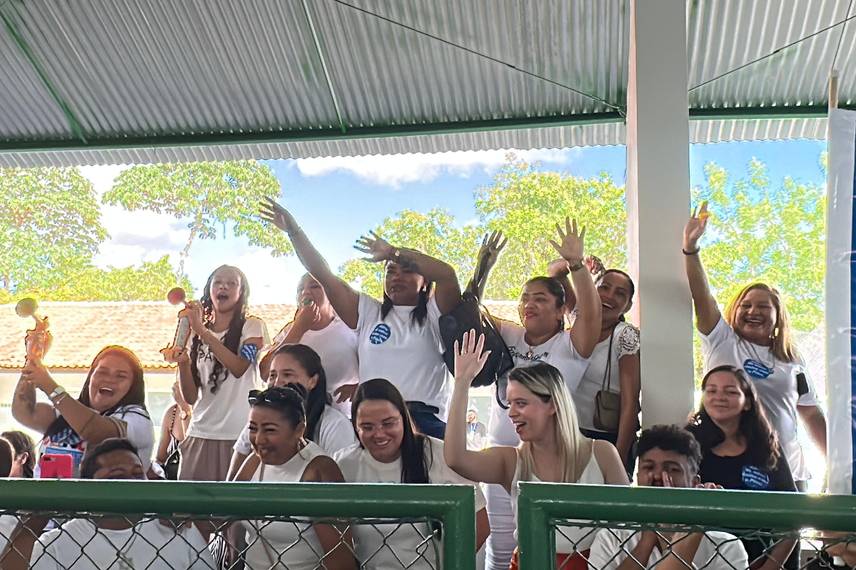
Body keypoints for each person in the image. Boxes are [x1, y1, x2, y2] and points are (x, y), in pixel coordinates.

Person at [261, 199, 462, 438]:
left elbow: (448, 274)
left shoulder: (435, 313)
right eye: (390, 271)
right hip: (370, 422)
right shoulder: (369, 312)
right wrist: (294, 231)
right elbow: (323, 274)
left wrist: (393, 253)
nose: (396, 276)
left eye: (407, 271)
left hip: (425, 423)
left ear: (425, 282)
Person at [476, 222, 603, 570]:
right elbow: (473, 312)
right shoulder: (509, 334)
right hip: (501, 461)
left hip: (548, 463)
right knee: (499, 551)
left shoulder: (571, 346)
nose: (528, 304)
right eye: (525, 297)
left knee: (541, 549)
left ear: (562, 309)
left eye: (541, 298)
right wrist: (483, 268)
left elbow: (592, 313)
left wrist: (576, 266)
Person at [446, 331, 628, 570]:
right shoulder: (511, 460)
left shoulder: (603, 453)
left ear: (552, 404)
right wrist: (462, 383)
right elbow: (455, 458)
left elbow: (628, 527)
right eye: (510, 404)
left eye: (521, 403)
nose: (511, 413)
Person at [683, 202, 826, 490]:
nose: (753, 311)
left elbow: (810, 413)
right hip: (728, 465)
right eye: (745, 306)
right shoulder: (722, 340)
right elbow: (703, 297)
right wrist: (691, 248)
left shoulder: (791, 357)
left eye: (763, 306)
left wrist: (837, 464)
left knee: (786, 535)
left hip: (787, 471)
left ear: (777, 317)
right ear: (734, 312)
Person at [334, 378, 489, 568]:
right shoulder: (344, 463)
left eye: (388, 423)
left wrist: (448, 564)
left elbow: (480, 525)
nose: (379, 433)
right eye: (367, 427)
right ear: (355, 427)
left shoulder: (438, 454)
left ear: (403, 419)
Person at [0, 438, 216, 570]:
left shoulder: (176, 527)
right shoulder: (60, 542)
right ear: (90, 485)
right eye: (117, 475)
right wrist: (36, 520)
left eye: (137, 474)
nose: (131, 482)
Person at [588, 424, 748, 569]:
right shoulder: (610, 538)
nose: (658, 476)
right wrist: (649, 537)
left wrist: (690, 536)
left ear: (694, 482)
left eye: (672, 469)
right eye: (649, 467)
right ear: (637, 478)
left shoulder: (727, 546)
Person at [687, 366, 797, 570]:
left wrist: (769, 566)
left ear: (747, 401)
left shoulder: (767, 445)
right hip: (703, 560)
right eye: (711, 390)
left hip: (763, 558)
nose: (719, 397)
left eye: (730, 391)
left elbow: (792, 514)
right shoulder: (687, 443)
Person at [233, 386, 356, 570]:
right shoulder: (254, 461)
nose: (258, 439)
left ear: (299, 430)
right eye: (253, 428)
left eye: (270, 430)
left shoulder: (319, 470)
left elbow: (340, 560)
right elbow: (221, 513)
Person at [166, 264, 269, 481]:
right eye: (218, 282)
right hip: (199, 433)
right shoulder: (196, 334)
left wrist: (202, 331)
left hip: (238, 437)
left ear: (241, 292)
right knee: (191, 512)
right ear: (209, 289)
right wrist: (183, 363)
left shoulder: (253, 326)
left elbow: (240, 367)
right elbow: (191, 398)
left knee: (235, 513)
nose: (224, 287)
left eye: (232, 283)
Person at [12, 345, 154, 475]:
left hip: (101, 502)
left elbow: (95, 431)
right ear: (90, 377)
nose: (110, 380)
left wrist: (51, 387)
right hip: (46, 501)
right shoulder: (69, 411)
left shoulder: (137, 419)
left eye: (121, 376)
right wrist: (34, 358)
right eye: (102, 372)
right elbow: (24, 412)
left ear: (133, 386)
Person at [228, 343, 356, 479]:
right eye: (272, 375)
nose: (278, 382)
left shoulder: (334, 426)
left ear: (313, 381)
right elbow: (230, 488)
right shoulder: (255, 453)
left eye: (288, 374)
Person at [262, 273, 360, 416]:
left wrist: (360, 385)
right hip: (297, 419)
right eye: (300, 289)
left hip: (346, 418)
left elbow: (378, 362)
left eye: (314, 286)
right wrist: (299, 328)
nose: (306, 292)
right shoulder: (289, 331)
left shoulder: (350, 327)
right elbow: (265, 373)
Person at [574, 269, 640, 472]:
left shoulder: (625, 335)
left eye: (620, 293)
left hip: (605, 440)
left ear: (628, 305)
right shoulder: (575, 324)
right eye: (604, 287)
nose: (610, 296)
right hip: (569, 436)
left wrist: (617, 460)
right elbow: (555, 272)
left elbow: (630, 405)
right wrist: (579, 264)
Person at [151, 381, 191, 480]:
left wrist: (184, 408)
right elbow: (160, 458)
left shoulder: (209, 412)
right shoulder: (172, 412)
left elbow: (192, 452)